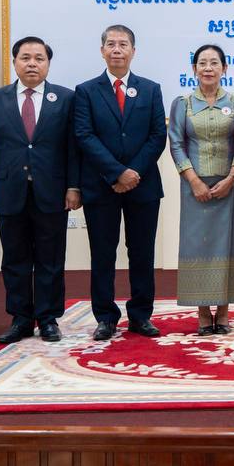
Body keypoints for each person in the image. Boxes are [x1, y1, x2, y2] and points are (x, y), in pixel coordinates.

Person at [0, 37, 81, 345]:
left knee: (51, 259)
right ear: (15, 62)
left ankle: (48, 319)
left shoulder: (66, 98)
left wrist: (74, 186)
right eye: (25, 58)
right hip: (9, 191)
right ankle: (20, 318)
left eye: (39, 58)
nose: (32, 63)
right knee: (15, 259)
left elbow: (73, 148)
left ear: (48, 63)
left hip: (53, 191)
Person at [74, 24, 168, 340]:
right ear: (102, 51)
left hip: (143, 185)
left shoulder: (150, 89)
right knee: (103, 254)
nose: (117, 49)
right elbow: (84, 135)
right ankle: (105, 317)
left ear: (133, 51)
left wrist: (132, 173)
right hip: (101, 186)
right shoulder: (86, 91)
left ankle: (141, 316)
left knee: (142, 253)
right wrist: (116, 173)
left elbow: (157, 136)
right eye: (111, 44)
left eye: (123, 44)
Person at [168, 44, 234, 335]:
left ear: (224, 68)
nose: (208, 68)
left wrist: (232, 177)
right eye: (202, 63)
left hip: (229, 186)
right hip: (195, 189)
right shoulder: (183, 103)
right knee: (198, 246)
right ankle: (203, 312)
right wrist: (193, 181)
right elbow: (176, 143)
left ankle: (224, 312)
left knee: (227, 246)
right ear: (194, 69)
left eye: (214, 63)